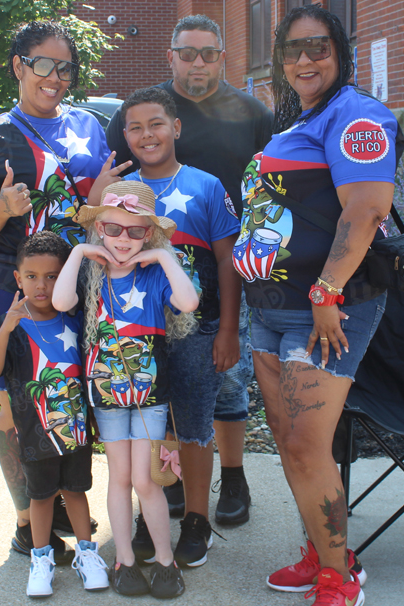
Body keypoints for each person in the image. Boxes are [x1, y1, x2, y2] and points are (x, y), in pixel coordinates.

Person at [233, 5, 400, 606]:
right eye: (294, 50)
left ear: (341, 53)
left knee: (304, 444)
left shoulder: (358, 116)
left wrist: (326, 292)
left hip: (323, 311)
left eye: (319, 48)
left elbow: (365, 211)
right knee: (289, 439)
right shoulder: (301, 118)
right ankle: (323, 551)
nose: (306, 60)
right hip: (269, 308)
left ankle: (340, 577)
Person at [0, 20, 127, 558]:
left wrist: (97, 198)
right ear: (18, 65)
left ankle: (65, 502)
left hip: (78, 286)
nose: (55, 77)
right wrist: (3, 207)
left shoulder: (91, 126)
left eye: (65, 66)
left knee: (69, 396)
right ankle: (28, 519)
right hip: (11, 289)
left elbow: (96, 207)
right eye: (43, 64)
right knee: (15, 405)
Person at [107, 13, 273, 529]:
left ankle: (234, 474)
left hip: (226, 266)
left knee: (226, 383)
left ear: (222, 56)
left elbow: (270, 186)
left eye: (207, 53)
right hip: (150, 277)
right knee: (161, 385)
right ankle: (170, 480)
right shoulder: (144, 109)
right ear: (171, 55)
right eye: (186, 52)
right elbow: (114, 186)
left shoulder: (251, 112)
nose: (197, 62)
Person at [53, 181, 198, 598]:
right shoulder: (89, 272)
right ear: (99, 228)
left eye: (136, 232)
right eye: (113, 229)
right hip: (108, 396)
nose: (123, 240)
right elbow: (62, 303)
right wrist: (80, 251)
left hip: (150, 396)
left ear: (149, 235)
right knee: (119, 477)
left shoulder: (155, 275)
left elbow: (187, 302)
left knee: (146, 480)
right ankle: (126, 562)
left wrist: (162, 256)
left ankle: (166, 563)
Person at [116, 87, 242, 567]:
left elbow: (228, 263)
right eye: (136, 127)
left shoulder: (206, 186)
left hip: (198, 331)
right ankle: (149, 518)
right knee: (143, 428)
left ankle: (195, 520)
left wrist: (228, 329)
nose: (147, 135)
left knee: (192, 426)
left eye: (156, 124)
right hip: (137, 337)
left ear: (176, 128)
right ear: (126, 134)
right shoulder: (121, 194)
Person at [0, 231, 108, 598]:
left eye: (52, 276)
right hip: (35, 435)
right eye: (32, 276)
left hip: (76, 432)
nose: (42, 285)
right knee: (41, 497)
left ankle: (87, 555)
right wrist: (5, 326)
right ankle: (41, 560)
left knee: (76, 490)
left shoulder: (76, 320)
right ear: (18, 278)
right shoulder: (10, 326)